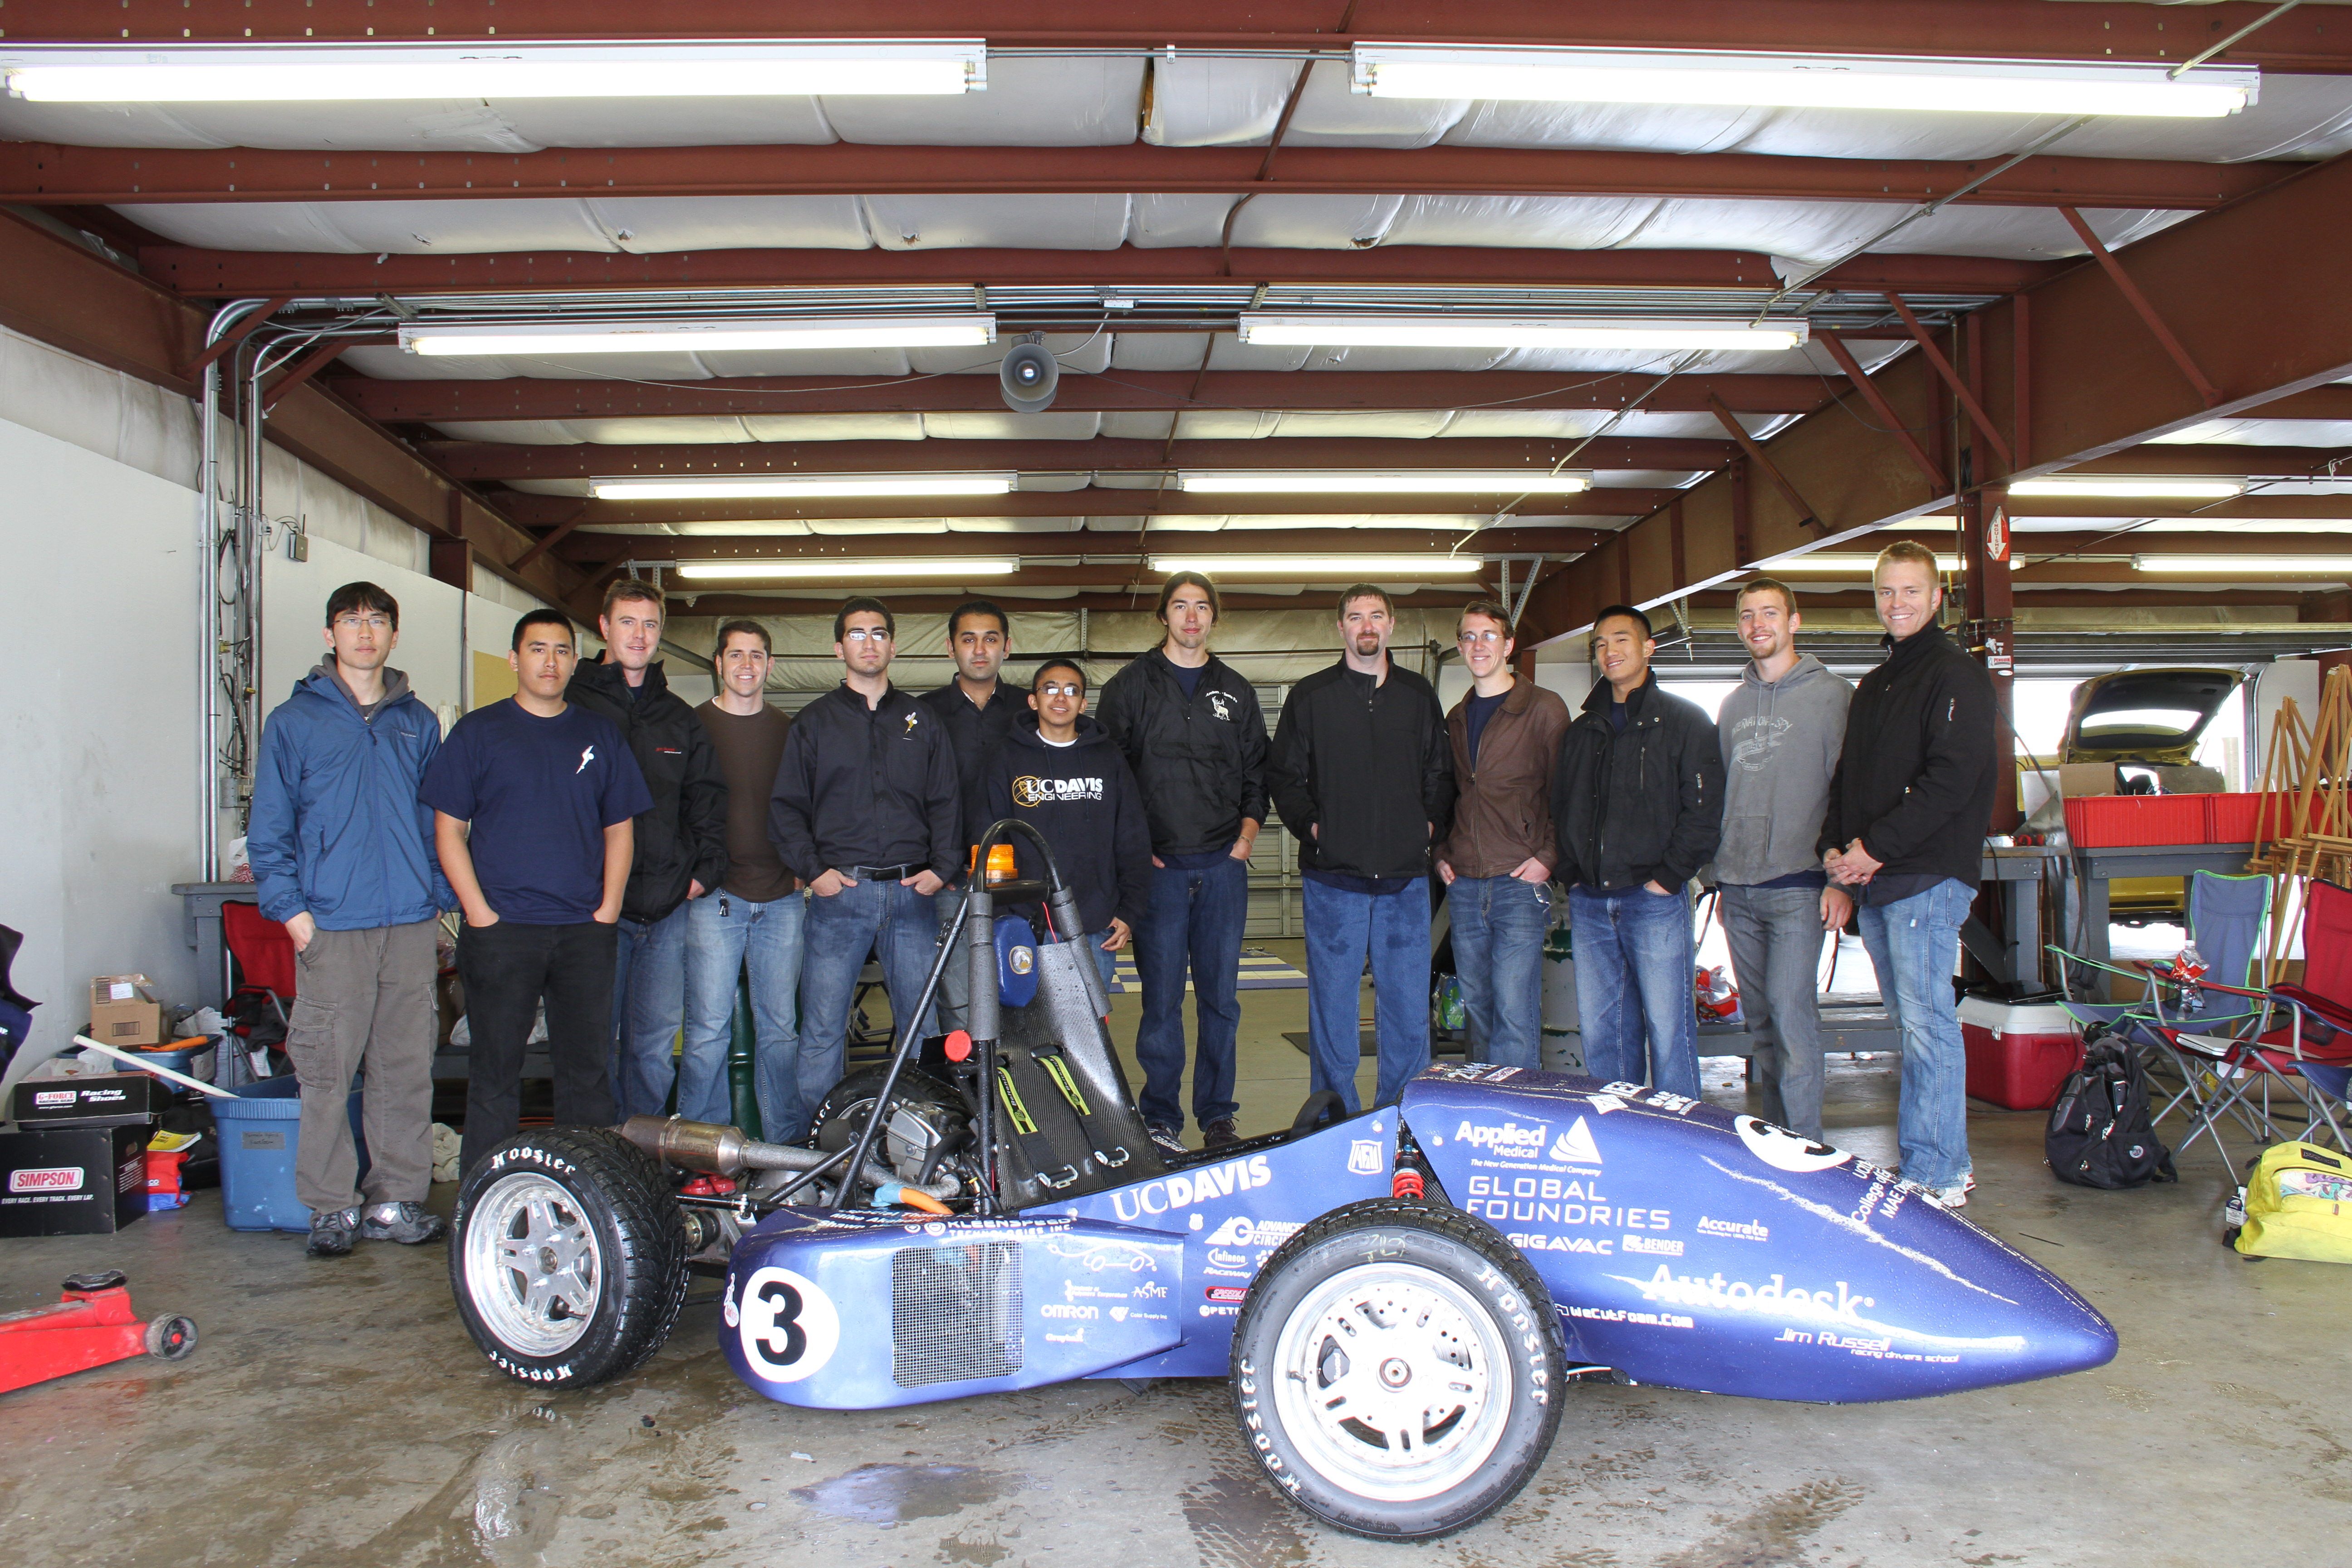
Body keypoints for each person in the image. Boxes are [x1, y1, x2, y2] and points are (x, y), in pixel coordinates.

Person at [247, 582, 456, 1259]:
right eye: (351, 621)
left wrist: (438, 897)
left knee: (405, 1067)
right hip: (333, 925)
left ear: (395, 634)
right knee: (326, 1072)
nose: (365, 633)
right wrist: (292, 913)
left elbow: (436, 822)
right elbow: (270, 826)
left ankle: (394, 1201)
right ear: (330, 634)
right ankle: (331, 1206)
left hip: (410, 923)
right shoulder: (293, 722)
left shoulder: (417, 722)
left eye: (378, 621)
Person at [423, 610, 651, 1178]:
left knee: (587, 1074)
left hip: (583, 933)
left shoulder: (599, 734)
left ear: (575, 662)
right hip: (502, 933)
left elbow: (620, 830)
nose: (550, 662)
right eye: (537, 649)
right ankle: (484, 1196)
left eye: (561, 651)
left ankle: (590, 1192)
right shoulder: (478, 733)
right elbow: (448, 831)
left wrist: (608, 910)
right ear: (514, 659)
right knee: (495, 1072)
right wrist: (479, 912)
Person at [1822, 542, 1998, 1206]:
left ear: (1937, 597)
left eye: (1910, 591)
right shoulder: (1877, 684)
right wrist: (1837, 856)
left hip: (1925, 876)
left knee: (1927, 1026)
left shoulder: (1956, 676)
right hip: (1880, 879)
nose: (1897, 603)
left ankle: (1940, 1172)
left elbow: (1951, 780)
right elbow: (1851, 780)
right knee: (1912, 1024)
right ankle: (1931, 1162)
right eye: (1886, 591)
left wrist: (1876, 848)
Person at [1096, 572, 1269, 1152]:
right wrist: (1131, 849)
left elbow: (1257, 772)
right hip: (1160, 874)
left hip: (1222, 868)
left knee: (1221, 1002)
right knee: (1161, 1002)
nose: (1191, 617)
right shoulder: (1129, 687)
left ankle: (1218, 1116)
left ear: (1214, 616)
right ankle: (1161, 1118)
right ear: (1163, 616)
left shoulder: (1236, 691)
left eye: (1201, 607)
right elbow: (1109, 775)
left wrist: (1246, 836)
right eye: (1180, 606)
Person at [769, 598, 961, 1118]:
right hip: (840, 900)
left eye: (879, 633)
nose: (869, 643)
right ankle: (820, 1141)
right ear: (839, 648)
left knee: (923, 1027)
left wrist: (942, 868)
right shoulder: (813, 723)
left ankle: (924, 1134)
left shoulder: (923, 720)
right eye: (857, 634)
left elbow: (946, 800)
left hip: (912, 898)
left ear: (893, 646)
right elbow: (786, 808)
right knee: (823, 1028)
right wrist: (815, 873)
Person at [1268, 584, 1455, 1114]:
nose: (1367, 626)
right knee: (1333, 1007)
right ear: (1341, 628)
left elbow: (1440, 772)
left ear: (1391, 625)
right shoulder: (1311, 697)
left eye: (1376, 615)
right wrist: (1317, 830)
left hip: (1404, 880)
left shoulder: (1418, 695)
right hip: (1333, 881)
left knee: (1406, 1007)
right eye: (1355, 617)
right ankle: (1336, 1114)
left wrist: (1425, 828)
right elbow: (1285, 776)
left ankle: (1403, 1113)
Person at [565, 579, 729, 1122]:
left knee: (654, 1049)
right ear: (604, 627)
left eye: (650, 624)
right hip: (593, 912)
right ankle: (601, 1155)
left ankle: (645, 1156)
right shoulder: (572, 706)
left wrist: (702, 874)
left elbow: (707, 800)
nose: (639, 635)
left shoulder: (679, 718)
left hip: (665, 908)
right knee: (594, 1043)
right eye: (628, 622)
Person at [1551, 604, 1723, 1098]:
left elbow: (1704, 808)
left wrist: (1669, 877)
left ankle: (1679, 1133)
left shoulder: (1685, 721)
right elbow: (1561, 805)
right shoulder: (1582, 731)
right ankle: (1618, 1131)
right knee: (1604, 1033)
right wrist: (1571, 873)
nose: (1610, 651)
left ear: (1649, 648)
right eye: (1601, 644)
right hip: (1591, 902)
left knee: (1669, 1033)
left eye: (1622, 640)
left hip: (1654, 900)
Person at [1715, 577, 1853, 1142]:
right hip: (1739, 890)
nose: (1758, 625)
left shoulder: (1834, 697)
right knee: (1763, 1028)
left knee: (1793, 1020)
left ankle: (1807, 1152)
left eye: (1770, 613)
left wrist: (1843, 883)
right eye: (1748, 615)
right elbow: (1724, 793)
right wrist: (1718, 878)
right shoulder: (1733, 705)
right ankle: (1777, 1144)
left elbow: (1851, 792)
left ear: (1794, 621)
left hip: (1801, 884)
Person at [1433, 600, 1570, 1070]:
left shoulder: (1544, 709)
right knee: (1478, 1007)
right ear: (1459, 646)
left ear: (1509, 645)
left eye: (1489, 635)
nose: (1479, 646)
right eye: (1469, 637)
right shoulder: (1457, 717)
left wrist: (1548, 856)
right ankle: (1486, 1100)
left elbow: (1566, 792)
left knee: (1514, 1009)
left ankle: (1517, 1104)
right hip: (1466, 883)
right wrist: (1441, 852)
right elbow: (1448, 793)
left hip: (1518, 880)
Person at [683, 619, 802, 1136]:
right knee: (708, 1030)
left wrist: (802, 871)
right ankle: (699, 1146)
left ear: (770, 665)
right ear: (719, 663)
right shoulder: (693, 726)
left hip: (783, 898)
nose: (746, 665)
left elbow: (810, 804)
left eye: (756, 656)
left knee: (781, 1031)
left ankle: (785, 1145)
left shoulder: (789, 730)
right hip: (716, 898)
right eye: (736, 655)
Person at [980, 659, 1152, 991]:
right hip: (1027, 925)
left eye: (1072, 691)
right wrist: (1006, 912)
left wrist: (1130, 912)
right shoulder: (1006, 757)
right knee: (1029, 1020)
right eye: (1051, 689)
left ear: (1083, 704)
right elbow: (991, 837)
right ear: (1034, 701)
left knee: (1090, 1020)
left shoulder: (1108, 757)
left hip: (1096, 924)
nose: (1061, 698)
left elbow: (1132, 838)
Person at [921, 600, 1020, 1033]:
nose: (980, 650)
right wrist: (934, 865)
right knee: (958, 1001)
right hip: (950, 880)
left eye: (990, 639)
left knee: (1020, 992)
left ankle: (1016, 1078)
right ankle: (966, 1079)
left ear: (1007, 647)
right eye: (968, 639)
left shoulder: (1029, 710)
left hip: (1020, 882)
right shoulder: (922, 714)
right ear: (951, 648)